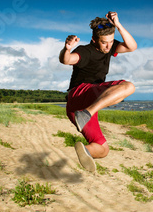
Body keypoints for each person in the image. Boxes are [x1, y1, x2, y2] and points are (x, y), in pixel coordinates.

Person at [59, 11, 137, 172]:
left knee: (102, 149)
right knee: (128, 87)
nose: (109, 47)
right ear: (94, 39)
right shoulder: (85, 51)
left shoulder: (110, 46)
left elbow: (132, 46)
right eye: (104, 43)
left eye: (110, 41)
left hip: (77, 109)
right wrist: (66, 49)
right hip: (80, 93)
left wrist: (118, 25)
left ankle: (86, 150)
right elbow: (66, 60)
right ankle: (87, 113)